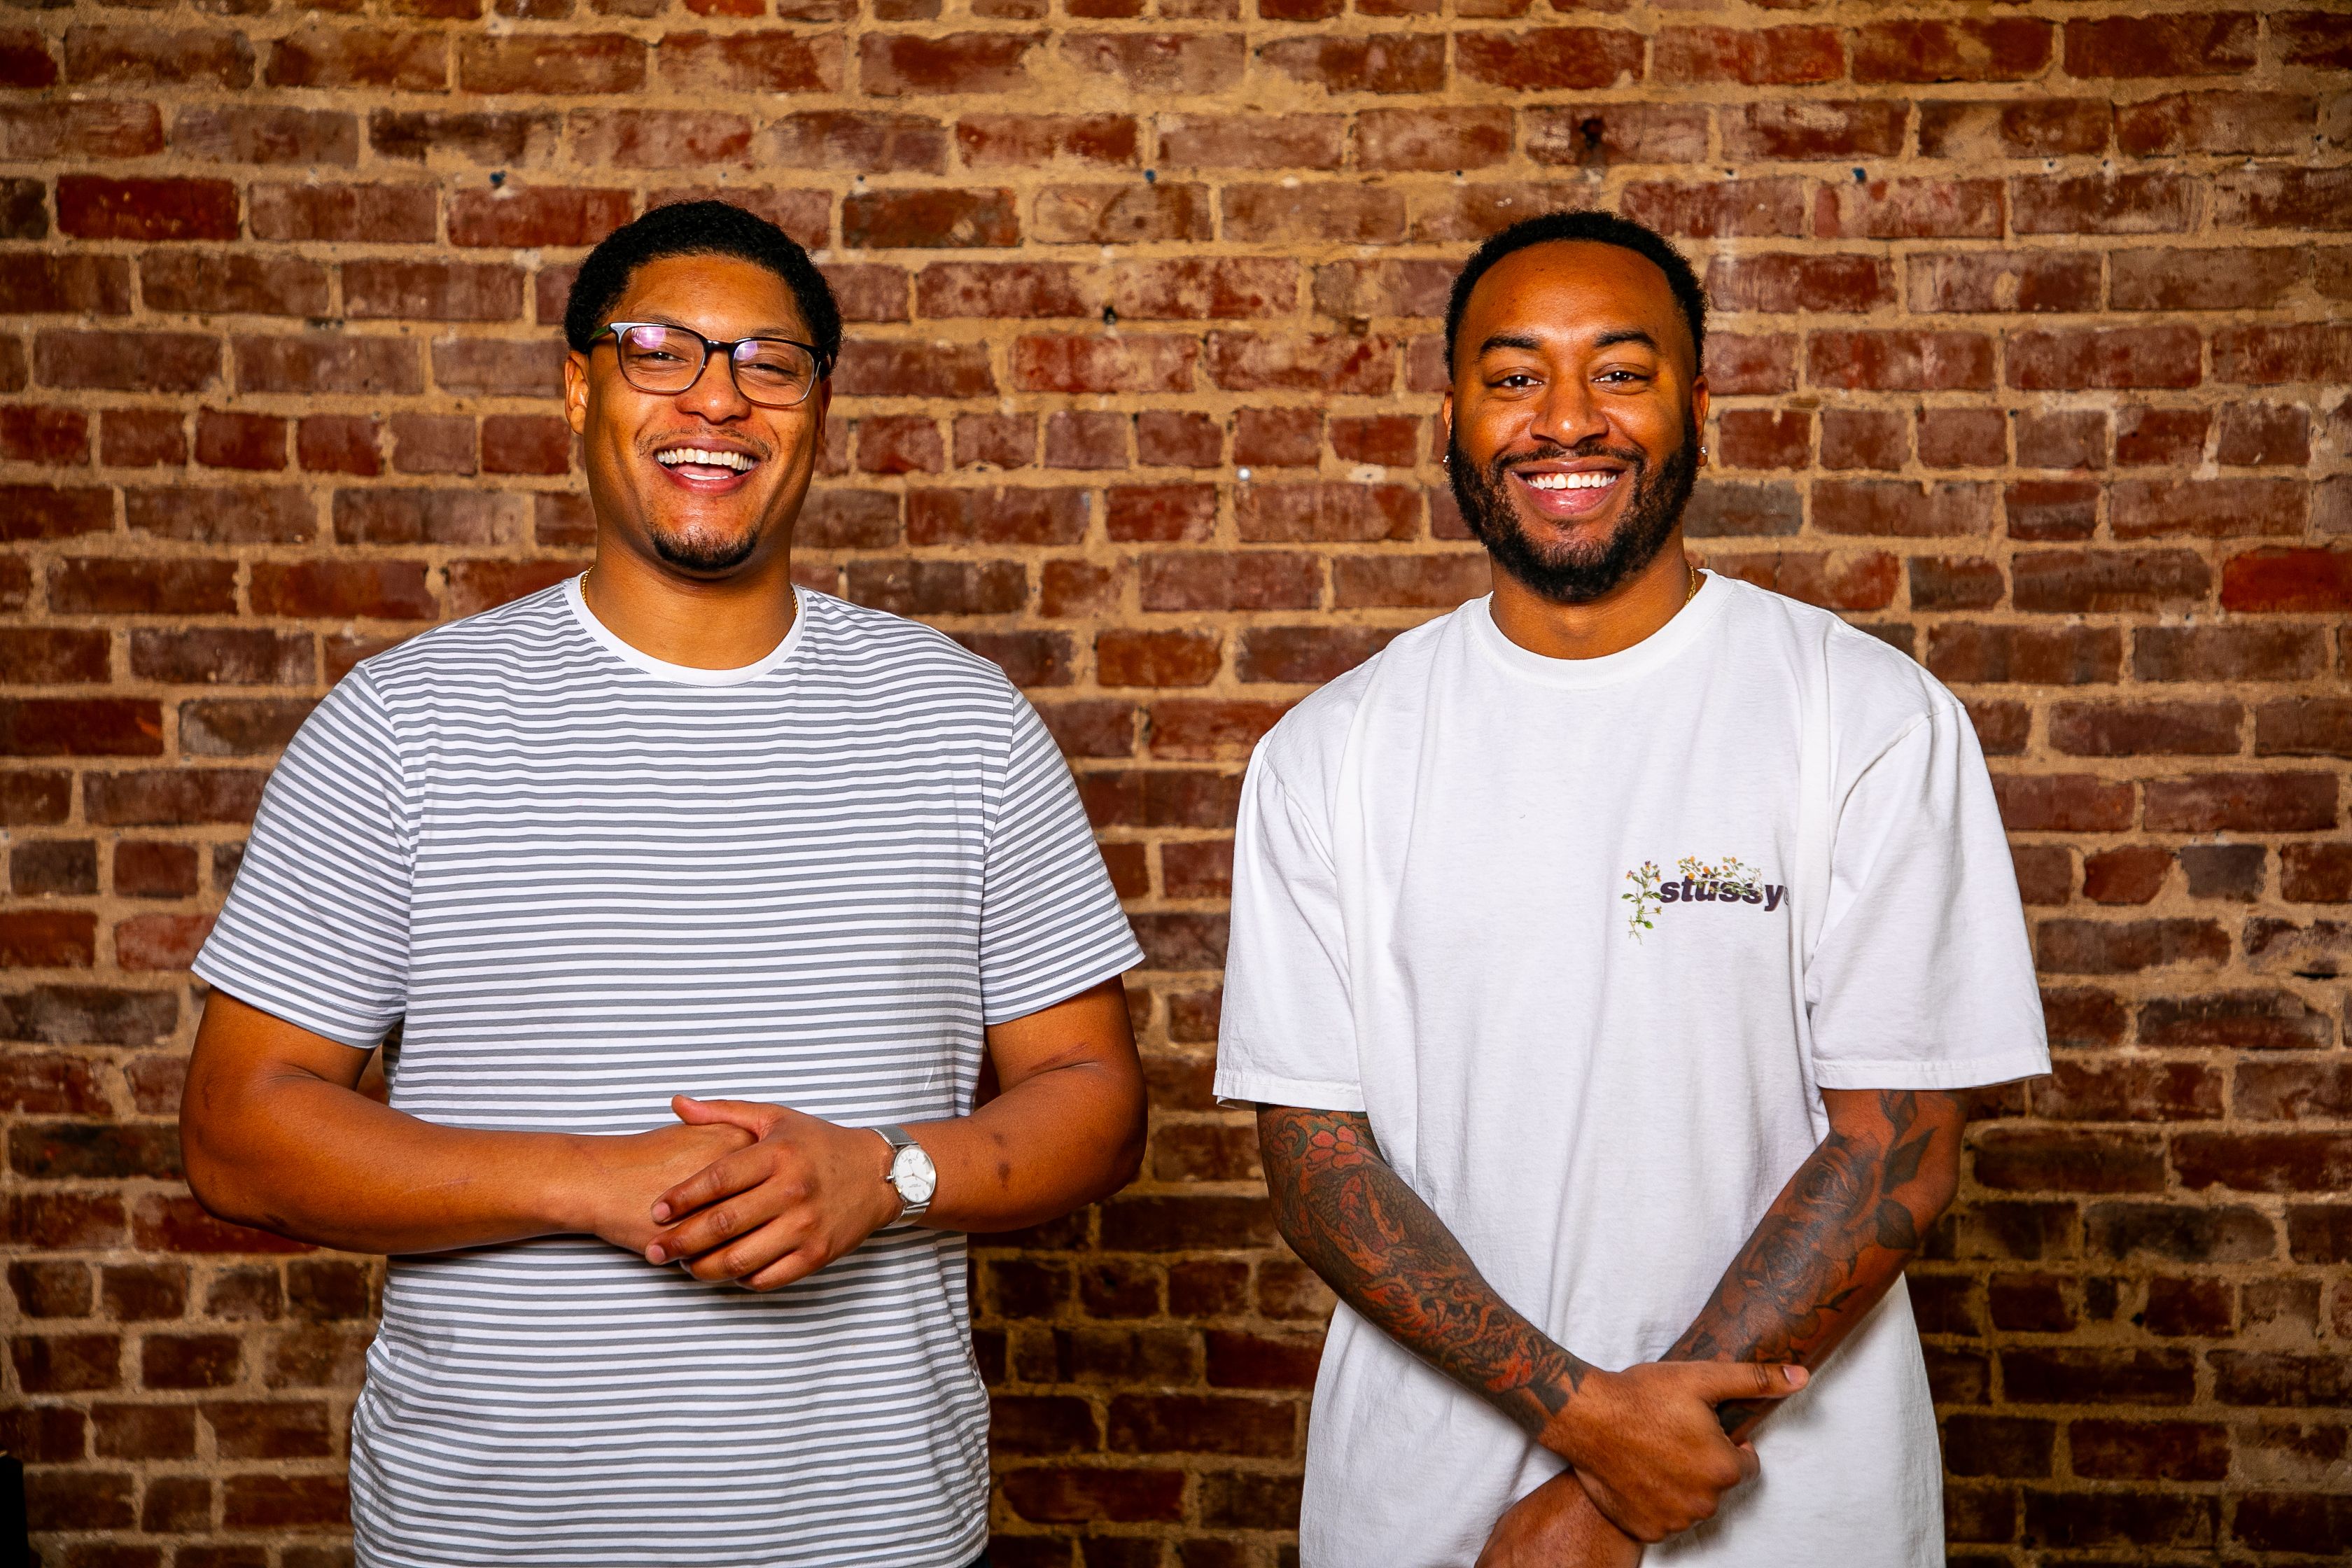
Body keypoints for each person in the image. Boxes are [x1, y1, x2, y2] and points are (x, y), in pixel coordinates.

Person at [180, 200, 1147, 1568]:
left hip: (867, 1533)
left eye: (769, 362)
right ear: (580, 390)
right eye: (661, 351)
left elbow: (1099, 1102)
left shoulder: (962, 722)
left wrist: (889, 1171)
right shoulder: (404, 724)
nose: (718, 397)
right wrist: (591, 1181)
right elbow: (235, 1131)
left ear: (818, 409)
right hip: (488, 1535)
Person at [1214, 209, 2049, 1567]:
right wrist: (1586, 1416)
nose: (1566, 419)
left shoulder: (1866, 716)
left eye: (1619, 370)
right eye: (1515, 376)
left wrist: (1607, 1485)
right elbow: (1317, 1162)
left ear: (1697, 406)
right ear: (1451, 416)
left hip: (1790, 1518)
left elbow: (1898, 1141)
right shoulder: (1329, 752)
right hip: (1425, 1510)